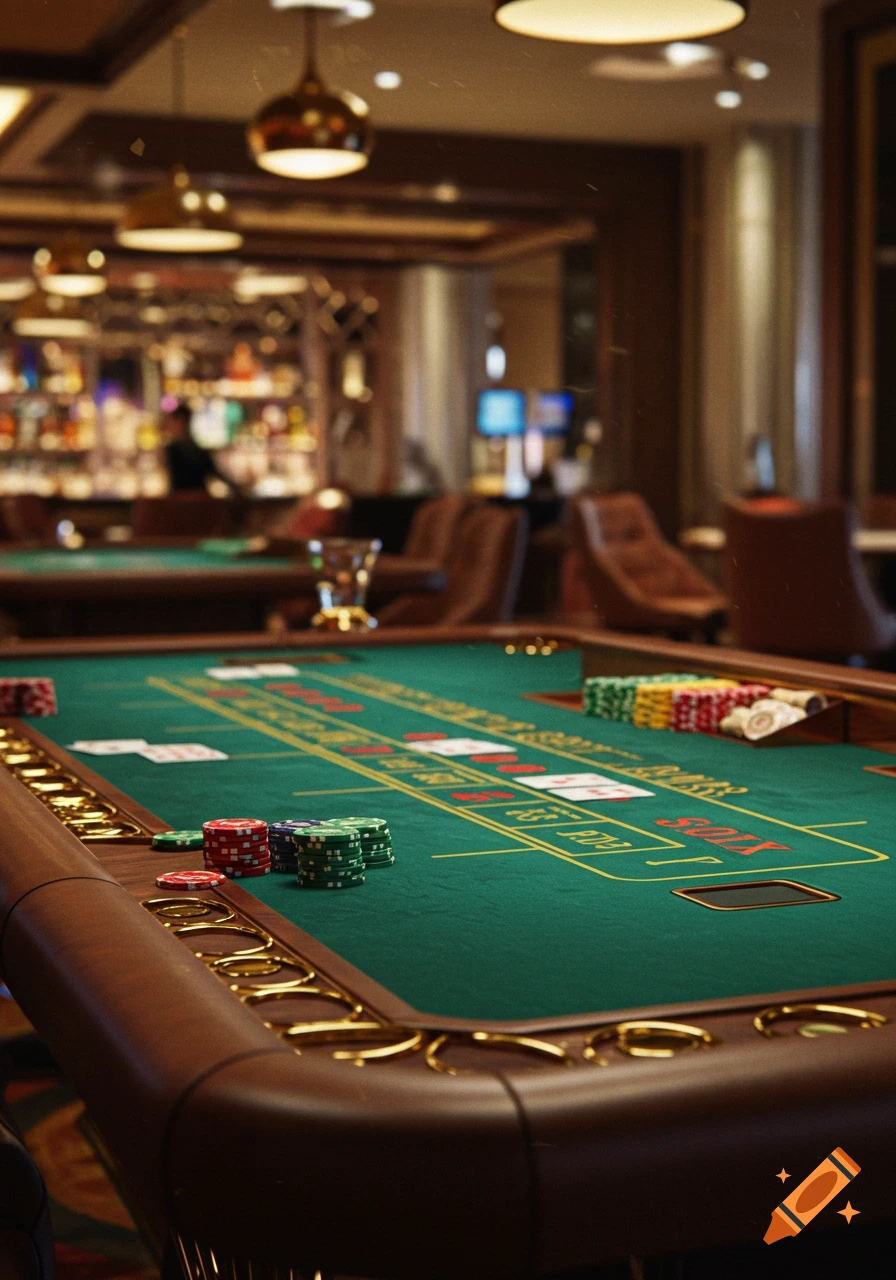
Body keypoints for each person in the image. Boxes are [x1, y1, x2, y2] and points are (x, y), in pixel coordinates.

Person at [163, 404, 233, 493]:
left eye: (171, 421)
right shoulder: (199, 449)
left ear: (181, 421)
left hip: (180, 500)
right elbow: (217, 474)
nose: (168, 425)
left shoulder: (172, 449)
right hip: (200, 499)